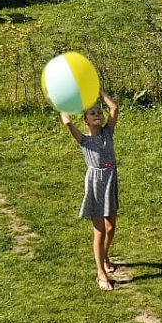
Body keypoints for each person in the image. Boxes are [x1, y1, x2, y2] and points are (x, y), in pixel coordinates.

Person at [60, 95, 120, 291]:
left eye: (98, 112)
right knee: (100, 231)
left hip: (110, 180)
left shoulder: (107, 133)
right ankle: (100, 274)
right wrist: (62, 104)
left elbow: (114, 109)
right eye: (92, 113)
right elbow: (68, 122)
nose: (97, 115)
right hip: (95, 183)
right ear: (85, 120)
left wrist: (99, 91)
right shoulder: (84, 140)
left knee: (111, 227)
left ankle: (105, 256)